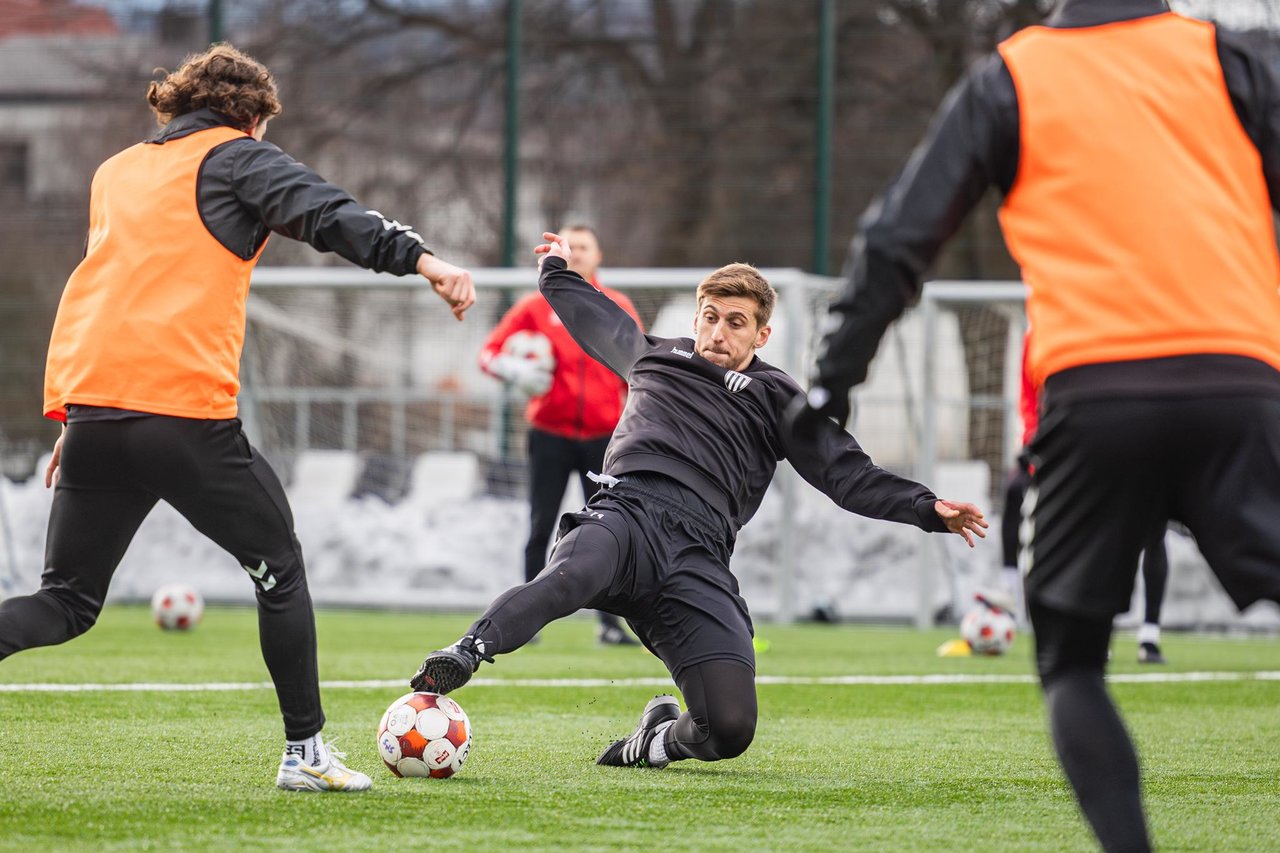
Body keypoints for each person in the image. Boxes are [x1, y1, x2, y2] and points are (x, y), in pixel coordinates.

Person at [803, 2, 1280, 849]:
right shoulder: (1229, 58)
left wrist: (832, 382)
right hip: (1244, 384)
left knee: (1070, 661)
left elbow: (898, 240)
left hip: (1098, 395)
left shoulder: (1012, 78)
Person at [0, 44, 475, 793]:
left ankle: (307, 753)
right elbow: (327, 212)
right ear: (251, 118)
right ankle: (305, 754)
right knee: (280, 568)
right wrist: (423, 259)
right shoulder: (235, 156)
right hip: (182, 415)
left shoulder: (116, 171)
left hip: (97, 411)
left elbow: (103, 290)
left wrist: (73, 417)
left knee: (65, 602)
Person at [409, 232, 986, 770]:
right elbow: (593, 315)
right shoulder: (655, 356)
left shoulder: (777, 397)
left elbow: (847, 472)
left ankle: (655, 741)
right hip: (626, 516)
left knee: (730, 728)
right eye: (710, 317)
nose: (718, 333)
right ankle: (466, 652)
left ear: (761, 335)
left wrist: (925, 507)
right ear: (696, 318)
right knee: (569, 574)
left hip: (699, 557)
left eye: (736, 322)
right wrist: (555, 271)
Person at [478, 225, 642, 645]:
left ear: (598, 255)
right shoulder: (533, 307)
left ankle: (609, 624)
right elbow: (488, 353)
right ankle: (523, 621)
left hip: (604, 437)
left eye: (585, 246)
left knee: (610, 528)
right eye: (571, 246)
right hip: (549, 434)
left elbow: (640, 370)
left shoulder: (617, 305)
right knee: (540, 525)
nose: (578, 253)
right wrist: (515, 370)